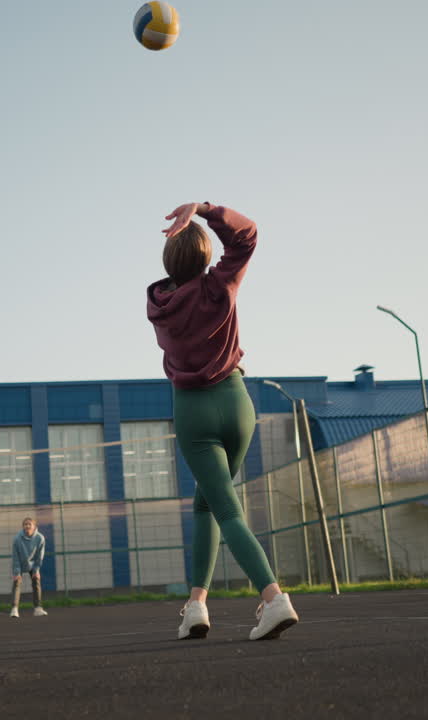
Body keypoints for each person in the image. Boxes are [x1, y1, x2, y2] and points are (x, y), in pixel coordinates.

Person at [147, 202, 299, 641]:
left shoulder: (159, 305)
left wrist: (182, 242)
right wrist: (207, 209)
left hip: (194, 412)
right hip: (237, 405)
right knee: (208, 502)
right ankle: (196, 605)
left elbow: (172, 286)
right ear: (206, 258)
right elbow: (247, 234)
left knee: (226, 508)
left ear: (169, 261)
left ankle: (274, 599)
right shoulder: (221, 287)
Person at [9, 517, 47, 618]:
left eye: (29, 524)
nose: (27, 526)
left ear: (34, 527)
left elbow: (40, 556)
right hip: (20, 563)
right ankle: (14, 609)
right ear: (23, 527)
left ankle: (38, 608)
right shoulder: (17, 539)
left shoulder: (40, 538)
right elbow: (15, 557)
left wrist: (36, 569)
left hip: (33, 563)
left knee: (36, 581)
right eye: (25, 524)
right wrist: (17, 572)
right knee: (16, 582)